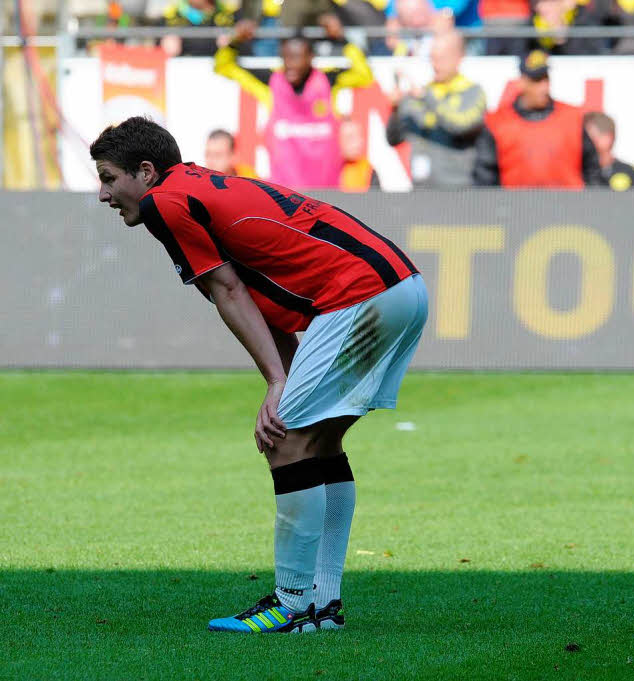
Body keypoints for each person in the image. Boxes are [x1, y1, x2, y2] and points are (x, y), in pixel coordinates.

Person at [90, 116, 426, 634]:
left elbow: (228, 291)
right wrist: (283, 375)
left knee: (285, 440)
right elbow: (257, 291)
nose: (103, 194)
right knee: (318, 442)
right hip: (398, 286)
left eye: (109, 178)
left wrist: (275, 383)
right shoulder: (196, 187)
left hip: (360, 297)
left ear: (146, 171)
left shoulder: (166, 203)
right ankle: (321, 605)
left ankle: (292, 603)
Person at [213, 17, 374, 189]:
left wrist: (342, 39)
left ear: (310, 57)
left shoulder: (327, 83)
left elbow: (365, 75)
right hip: (286, 200)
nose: (290, 64)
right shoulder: (271, 85)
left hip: (328, 195)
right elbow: (223, 67)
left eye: (297, 57)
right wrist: (235, 41)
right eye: (286, 57)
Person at [472, 50, 602, 188]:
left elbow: (592, 169)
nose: (544, 87)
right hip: (516, 207)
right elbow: (486, 176)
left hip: (568, 206)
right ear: (521, 83)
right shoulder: (497, 123)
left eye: (546, 79)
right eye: (536, 81)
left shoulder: (573, 118)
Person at [386, 30, 487, 188]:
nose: (436, 64)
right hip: (421, 190)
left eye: (442, 58)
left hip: (459, 190)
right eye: (433, 58)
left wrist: (427, 97)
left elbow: (461, 125)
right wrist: (395, 109)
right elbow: (393, 139)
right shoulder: (421, 94)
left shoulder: (473, 92)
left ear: (459, 58)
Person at [583, 111, 634, 190]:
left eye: (587, 137)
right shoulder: (577, 173)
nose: (583, 142)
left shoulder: (629, 173)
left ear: (607, 138)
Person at [160, 0, 242, 57]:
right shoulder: (171, 14)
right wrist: (165, 43)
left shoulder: (229, 12)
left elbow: (245, 38)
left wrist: (234, 40)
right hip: (182, 69)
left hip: (220, 69)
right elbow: (154, 43)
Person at [338, 118, 380, 191]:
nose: (358, 143)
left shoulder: (368, 170)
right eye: (350, 137)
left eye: (359, 136)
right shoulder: (326, 171)